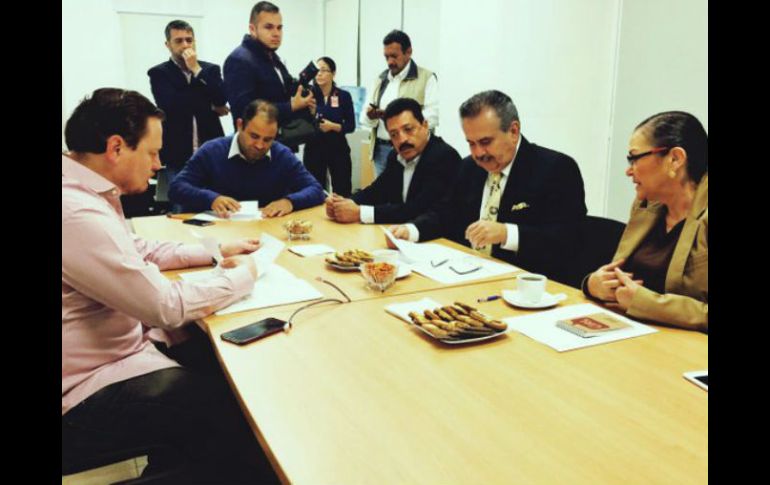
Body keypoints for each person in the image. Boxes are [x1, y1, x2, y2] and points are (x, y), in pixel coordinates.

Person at [62, 88, 278, 483]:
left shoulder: (86, 191)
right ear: (115, 148)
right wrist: (243, 275)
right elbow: (165, 306)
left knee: (213, 362)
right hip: (83, 389)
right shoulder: (73, 211)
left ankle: (175, 467)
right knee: (238, 415)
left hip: (111, 357)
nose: (159, 165)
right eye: (152, 153)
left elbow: (134, 249)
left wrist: (214, 252)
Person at [389, 90, 587, 280]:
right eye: (471, 143)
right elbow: (446, 212)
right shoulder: (469, 167)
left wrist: (506, 233)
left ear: (513, 131)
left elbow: (567, 239)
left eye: (485, 142)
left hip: (525, 283)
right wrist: (411, 230)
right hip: (465, 275)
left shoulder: (556, 169)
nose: (478, 153)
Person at [583, 111, 708, 331]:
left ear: (675, 159)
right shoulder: (646, 205)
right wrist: (593, 284)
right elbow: (620, 275)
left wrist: (647, 304)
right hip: (631, 332)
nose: (628, 171)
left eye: (634, 158)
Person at [169, 99, 325, 218]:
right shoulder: (212, 151)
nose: (260, 145)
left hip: (266, 232)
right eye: (254, 136)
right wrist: (211, 199)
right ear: (240, 125)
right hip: (219, 233)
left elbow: (316, 190)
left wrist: (290, 202)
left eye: (268, 139)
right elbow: (176, 188)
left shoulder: (282, 154)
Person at [326, 97, 461, 224]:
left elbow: (418, 209)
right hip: (401, 234)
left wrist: (360, 213)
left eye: (408, 129)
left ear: (425, 126)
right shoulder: (395, 156)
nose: (402, 140)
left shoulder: (444, 157)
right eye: (394, 134)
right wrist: (343, 203)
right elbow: (377, 191)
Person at [147, 20, 229, 191]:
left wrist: (196, 69)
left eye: (189, 40)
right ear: (168, 45)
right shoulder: (159, 73)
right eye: (179, 41)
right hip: (177, 154)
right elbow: (170, 106)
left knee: (215, 201)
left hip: (210, 152)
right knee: (181, 202)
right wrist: (209, 106)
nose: (185, 45)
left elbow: (221, 99)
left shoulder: (210, 70)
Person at [223, 1, 315, 140]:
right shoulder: (239, 60)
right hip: (255, 145)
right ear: (252, 29)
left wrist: (303, 98)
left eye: (279, 28)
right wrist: (291, 106)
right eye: (269, 27)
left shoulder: (272, 57)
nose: (276, 33)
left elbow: (283, 92)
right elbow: (245, 111)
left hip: (279, 141)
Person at [360, 29, 438, 177]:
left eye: (394, 56)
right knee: (383, 191)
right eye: (386, 57)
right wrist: (371, 116)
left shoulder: (426, 78)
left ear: (408, 52)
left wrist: (400, 121)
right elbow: (363, 119)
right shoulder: (380, 80)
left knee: (409, 190)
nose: (390, 62)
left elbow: (433, 116)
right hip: (381, 150)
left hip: (411, 150)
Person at [303, 56, 355, 197]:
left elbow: (351, 126)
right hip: (314, 148)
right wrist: (312, 114)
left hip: (338, 148)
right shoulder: (307, 95)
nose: (319, 74)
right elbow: (300, 122)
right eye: (317, 71)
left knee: (342, 190)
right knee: (314, 190)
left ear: (333, 73)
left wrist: (333, 126)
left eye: (324, 70)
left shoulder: (343, 96)